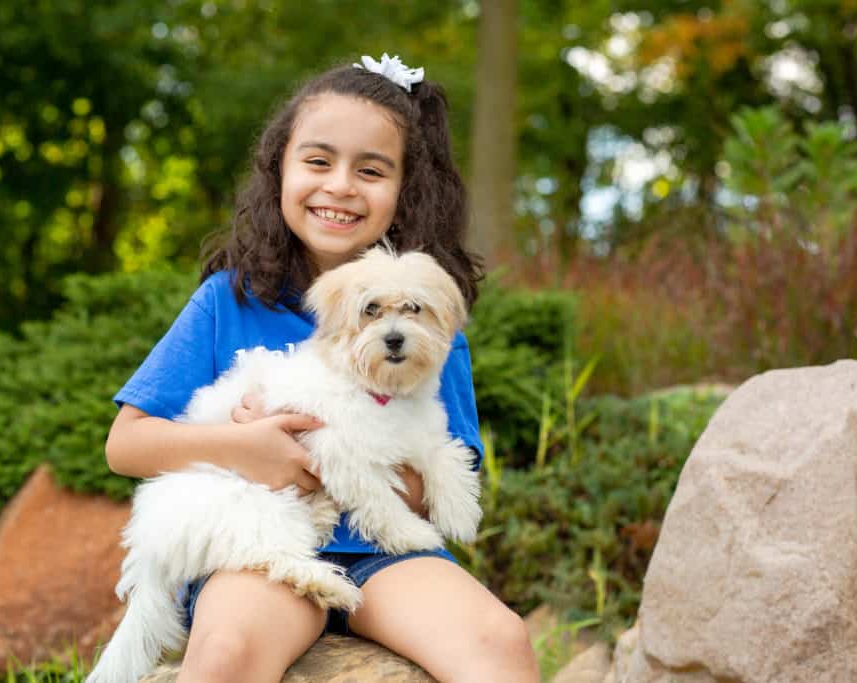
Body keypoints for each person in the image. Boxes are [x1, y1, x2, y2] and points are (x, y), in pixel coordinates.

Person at [105, 54, 540, 683]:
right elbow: (126, 443)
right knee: (226, 653)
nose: (340, 185)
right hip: (260, 553)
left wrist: (323, 459)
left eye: (371, 170)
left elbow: (437, 485)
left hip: (385, 553)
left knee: (500, 643)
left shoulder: (423, 329)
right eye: (317, 161)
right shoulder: (229, 302)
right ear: (278, 170)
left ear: (406, 189)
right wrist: (242, 446)